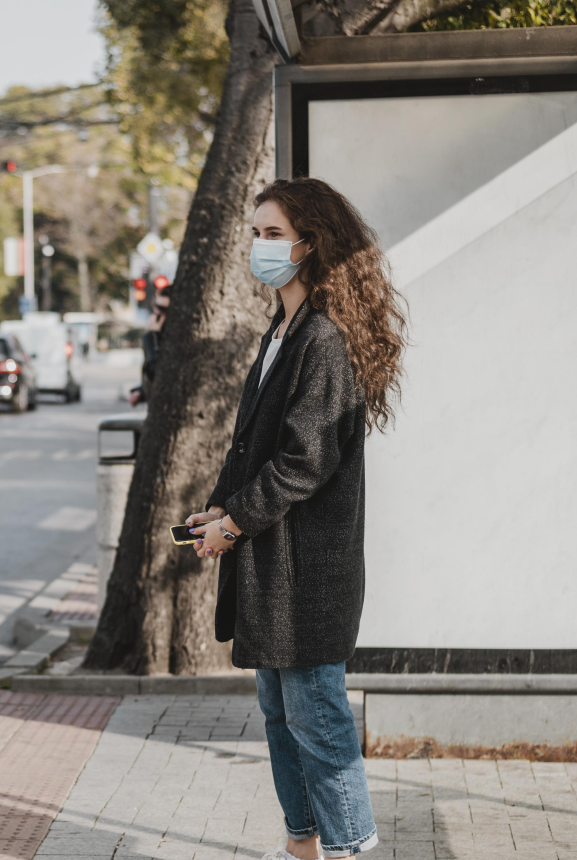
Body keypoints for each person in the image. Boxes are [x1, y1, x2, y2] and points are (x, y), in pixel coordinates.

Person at [186, 178, 406, 860]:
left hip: (308, 577)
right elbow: (252, 443)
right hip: (270, 572)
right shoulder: (281, 331)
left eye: (272, 234)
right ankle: (302, 844)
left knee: (320, 724)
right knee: (282, 720)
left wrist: (235, 524)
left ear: (313, 245)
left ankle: (350, 848)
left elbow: (304, 461)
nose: (259, 246)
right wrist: (221, 503)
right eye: (255, 233)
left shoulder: (324, 340)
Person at [128, 290, 170, 406]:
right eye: (156, 308)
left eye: (163, 310)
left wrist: (151, 337)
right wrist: (140, 391)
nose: (157, 315)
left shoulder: (160, 339)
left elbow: (159, 373)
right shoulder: (157, 336)